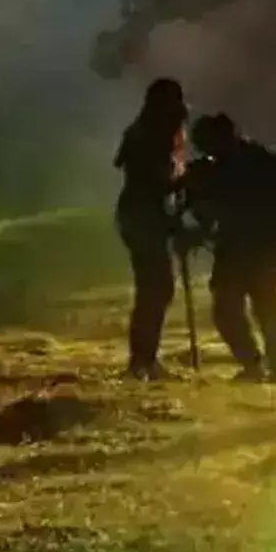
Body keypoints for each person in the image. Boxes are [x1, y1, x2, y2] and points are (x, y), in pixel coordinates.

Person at [183, 111, 276, 385]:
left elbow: (213, 210)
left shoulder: (240, 167)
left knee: (244, 307)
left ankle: (261, 364)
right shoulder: (254, 162)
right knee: (258, 306)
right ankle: (267, 364)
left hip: (247, 247)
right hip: (252, 246)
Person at [111, 76, 187, 381]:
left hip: (140, 215)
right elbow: (154, 183)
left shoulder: (146, 132)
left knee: (154, 288)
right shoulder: (151, 136)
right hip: (142, 216)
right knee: (156, 288)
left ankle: (144, 360)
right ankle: (142, 361)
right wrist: (185, 181)